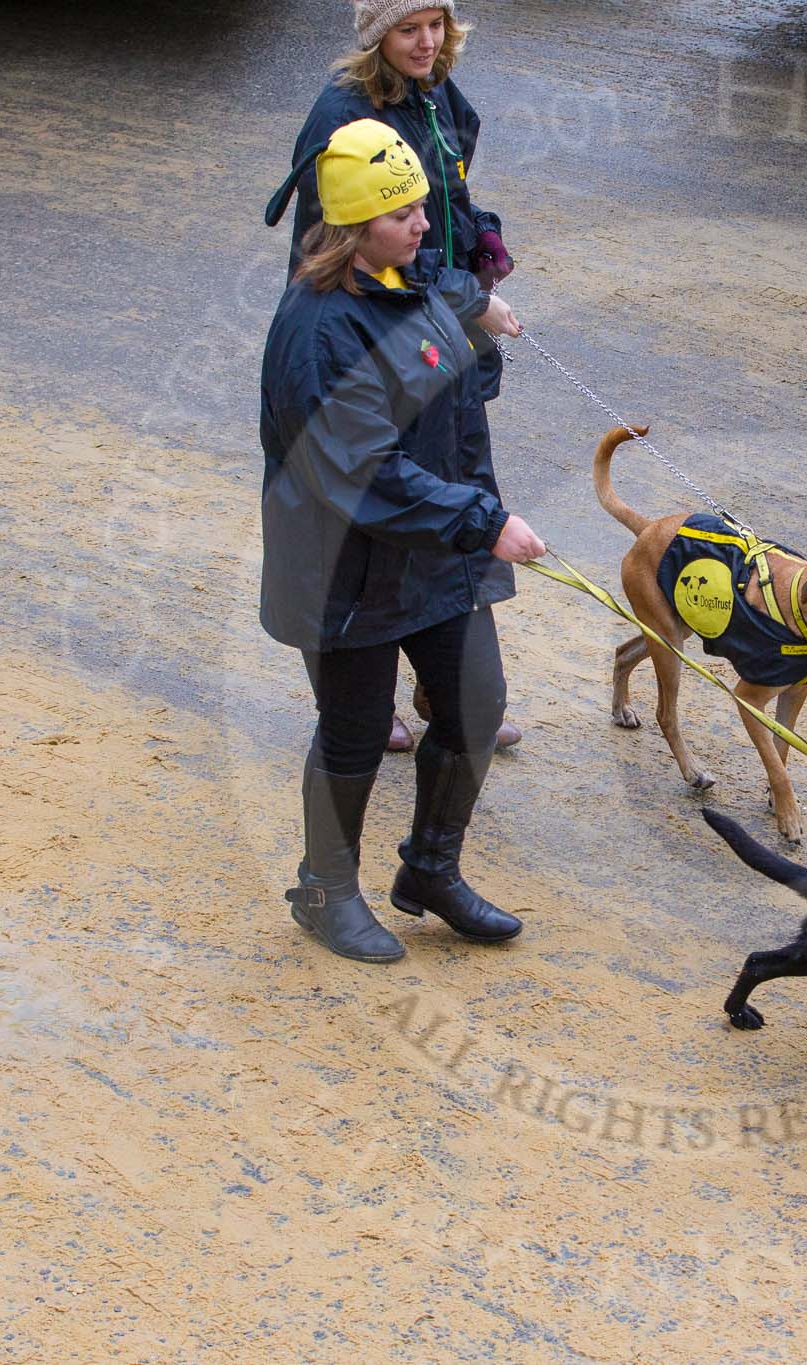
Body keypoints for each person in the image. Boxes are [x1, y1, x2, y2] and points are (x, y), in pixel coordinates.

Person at [259, 118, 545, 964]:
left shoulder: (406, 275)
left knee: (475, 704)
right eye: (403, 214)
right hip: (345, 565)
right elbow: (360, 470)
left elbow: (444, 297)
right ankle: (325, 889)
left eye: (423, 206)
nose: (424, 225)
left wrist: (481, 294)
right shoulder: (315, 332)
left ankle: (429, 870)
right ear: (351, 230)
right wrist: (485, 522)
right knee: (352, 734)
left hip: (434, 549)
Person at [275, 0, 520, 752]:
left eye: (436, 24)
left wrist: (479, 238)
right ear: (374, 34)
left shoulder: (438, 95)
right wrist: (469, 298)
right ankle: (357, 699)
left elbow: (449, 192)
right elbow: (350, 247)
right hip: (370, 334)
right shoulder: (342, 118)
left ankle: (448, 682)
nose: (427, 42)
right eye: (408, 28)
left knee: (450, 485)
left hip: (432, 327)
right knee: (356, 522)